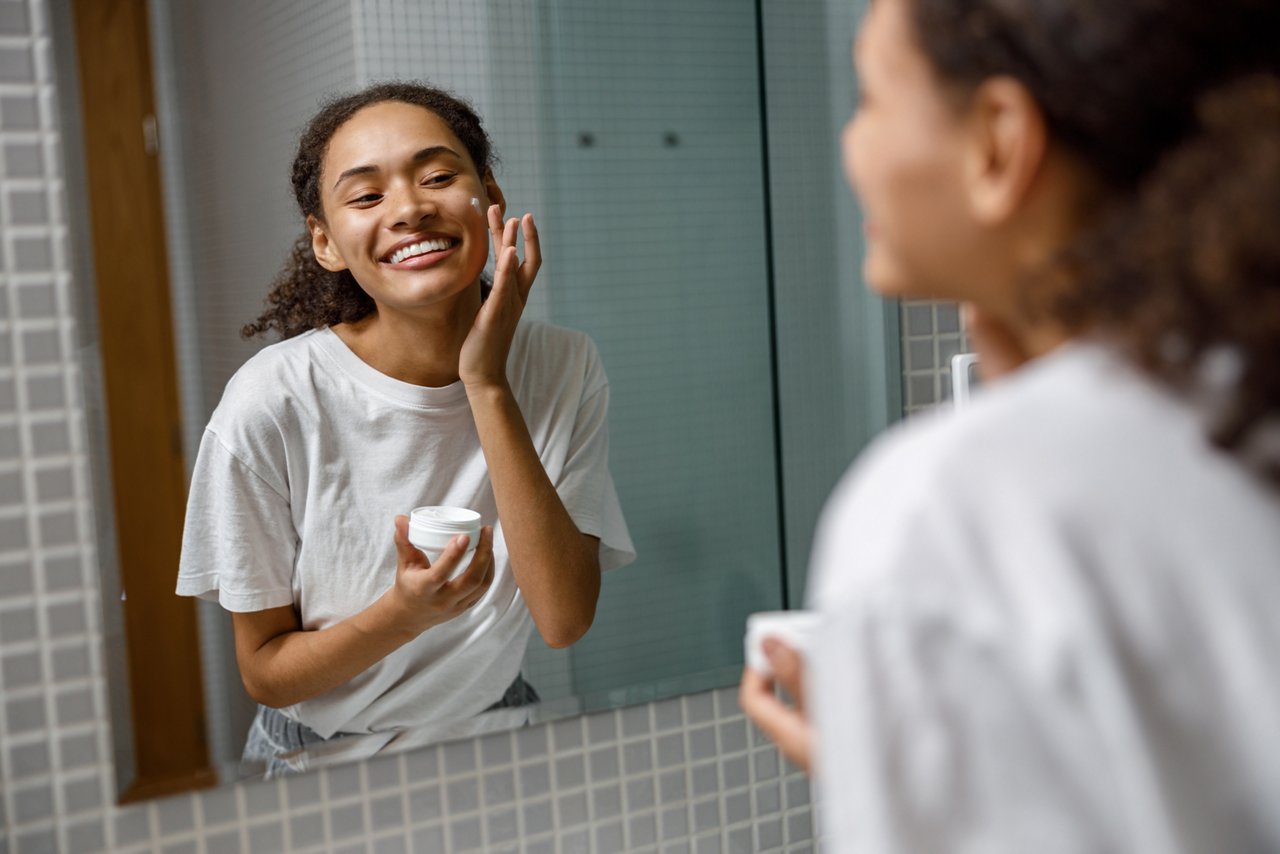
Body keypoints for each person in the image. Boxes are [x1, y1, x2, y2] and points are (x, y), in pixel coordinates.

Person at [740, 0, 1280, 850]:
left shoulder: (939, 512)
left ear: (998, 140)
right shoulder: (1240, 402)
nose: (849, 147)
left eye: (871, 98)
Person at [176, 82, 634, 776]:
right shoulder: (272, 402)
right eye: (366, 197)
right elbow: (266, 673)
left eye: (438, 177)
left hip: (496, 742)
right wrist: (404, 614)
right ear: (326, 242)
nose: (411, 209)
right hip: (320, 764)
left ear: (491, 198)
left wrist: (486, 383)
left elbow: (563, 618)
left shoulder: (562, 365)